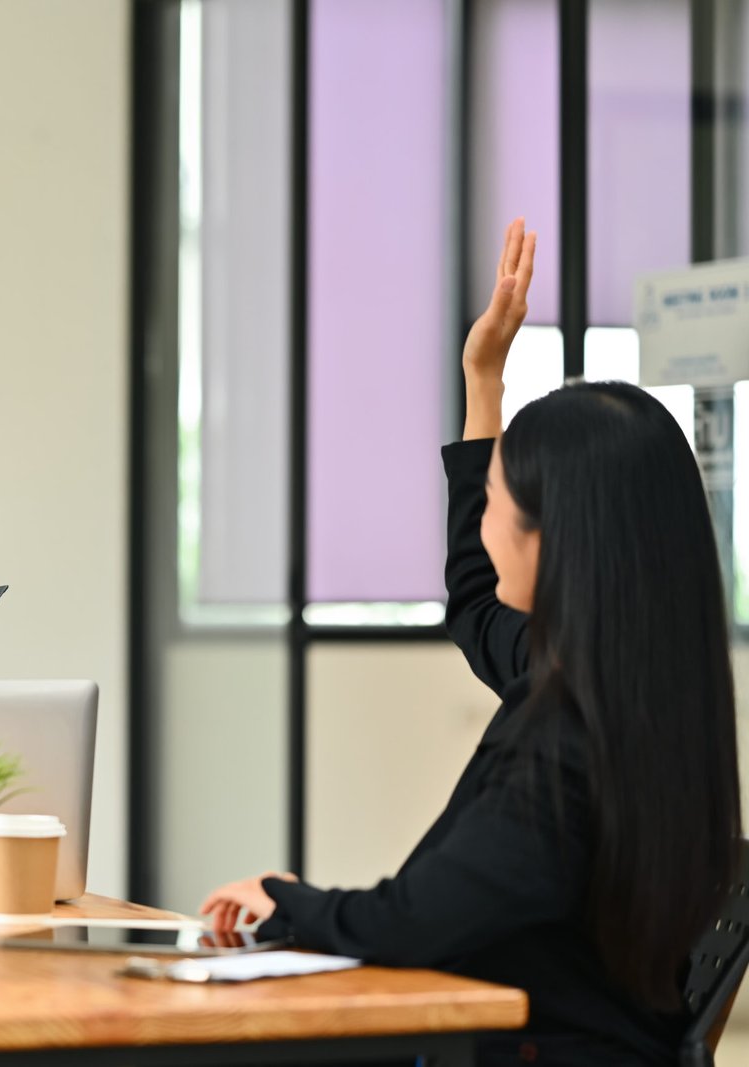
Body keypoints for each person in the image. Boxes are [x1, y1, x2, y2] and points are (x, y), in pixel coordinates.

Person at [202, 219, 742, 1066]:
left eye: (493, 500)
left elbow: (418, 920)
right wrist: (482, 379)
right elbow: (476, 604)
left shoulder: (568, 745)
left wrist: (284, 899)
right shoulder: (627, 685)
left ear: (552, 537)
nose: (481, 524)